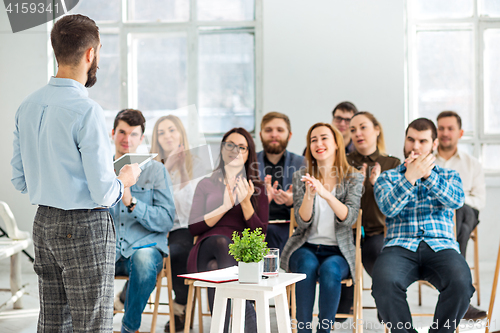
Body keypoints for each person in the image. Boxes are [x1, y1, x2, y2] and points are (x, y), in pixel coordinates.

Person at [10, 14, 141, 332]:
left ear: (57, 50)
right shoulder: (86, 110)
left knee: (54, 323)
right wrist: (123, 178)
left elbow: (19, 178)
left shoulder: (27, 106)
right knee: (92, 324)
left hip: (43, 224)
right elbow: (102, 192)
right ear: (90, 54)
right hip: (85, 227)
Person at [372, 118, 474, 333]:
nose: (415, 146)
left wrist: (427, 176)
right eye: (411, 140)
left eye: (422, 141)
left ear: (434, 144)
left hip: (441, 247)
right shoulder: (387, 178)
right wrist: (409, 178)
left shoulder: (449, 175)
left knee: (461, 283)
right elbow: (388, 208)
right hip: (399, 247)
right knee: (383, 283)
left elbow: (456, 201)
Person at [280, 123, 363, 333]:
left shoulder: (353, 177)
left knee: (330, 270)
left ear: (336, 143)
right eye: (313, 139)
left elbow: (349, 218)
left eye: (324, 138)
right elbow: (302, 221)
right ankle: (304, 330)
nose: (318, 143)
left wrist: (326, 193)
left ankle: (324, 330)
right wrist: (309, 194)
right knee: (306, 267)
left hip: (338, 251)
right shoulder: (302, 176)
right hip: (306, 245)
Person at [187, 128, 269, 333]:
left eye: (242, 147)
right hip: (207, 246)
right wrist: (224, 206)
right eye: (230, 145)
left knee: (217, 268)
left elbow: (260, 234)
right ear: (222, 149)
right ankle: (248, 314)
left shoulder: (257, 187)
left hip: (241, 256)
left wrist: (245, 202)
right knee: (221, 242)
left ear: (249, 153)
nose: (235, 150)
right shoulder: (206, 184)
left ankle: (221, 330)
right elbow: (193, 227)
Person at [110, 109, 176, 333]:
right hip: (108, 249)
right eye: (122, 132)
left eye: (133, 134)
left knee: (144, 259)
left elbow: (167, 220)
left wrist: (132, 203)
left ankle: (129, 329)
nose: (127, 139)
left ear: (142, 138)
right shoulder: (100, 170)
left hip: (143, 247)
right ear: (112, 133)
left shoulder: (156, 171)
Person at [150, 115, 205, 332]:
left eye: (172, 130)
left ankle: (181, 307)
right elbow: (149, 202)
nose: (167, 136)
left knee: (179, 251)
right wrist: (166, 170)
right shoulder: (151, 166)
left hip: (181, 227)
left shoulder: (196, 165)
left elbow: (191, 210)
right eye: (161, 132)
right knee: (148, 254)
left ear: (181, 133)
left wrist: (181, 171)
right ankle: (126, 297)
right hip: (153, 226)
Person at [435, 110, 487, 320]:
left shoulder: (472, 163)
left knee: (461, 212)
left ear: (460, 132)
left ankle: (450, 285)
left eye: (450, 128)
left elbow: (480, 200)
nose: (445, 133)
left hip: (467, 213)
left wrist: (455, 198)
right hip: (438, 217)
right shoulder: (426, 161)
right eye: (441, 128)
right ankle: (461, 298)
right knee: (462, 230)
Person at [347, 112, 400, 275]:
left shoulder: (392, 163)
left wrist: (377, 186)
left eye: (363, 127)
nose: (358, 134)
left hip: (378, 232)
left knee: (378, 259)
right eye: (353, 130)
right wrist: (355, 187)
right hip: (347, 232)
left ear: (377, 130)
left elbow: (397, 203)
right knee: (345, 271)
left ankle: (386, 297)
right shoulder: (344, 162)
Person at [257, 112, 305, 253]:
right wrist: (262, 199)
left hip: (289, 226)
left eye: (280, 130)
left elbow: (312, 203)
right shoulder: (249, 163)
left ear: (289, 135)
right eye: (268, 130)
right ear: (260, 135)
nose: (274, 134)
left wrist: (292, 200)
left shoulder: (302, 163)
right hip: (256, 225)